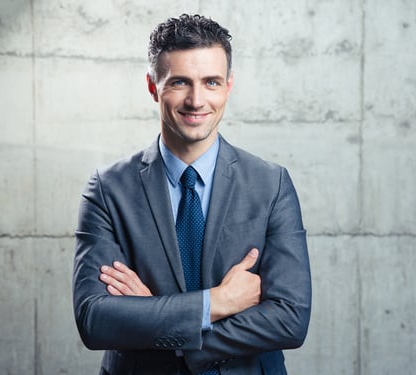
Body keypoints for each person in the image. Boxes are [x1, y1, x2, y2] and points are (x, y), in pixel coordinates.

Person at [73, 13, 311, 375]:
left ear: (229, 86)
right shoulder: (108, 189)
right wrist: (219, 301)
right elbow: (96, 319)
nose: (197, 100)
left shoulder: (271, 183)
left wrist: (165, 323)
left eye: (211, 82)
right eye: (180, 82)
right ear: (153, 86)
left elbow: (290, 319)